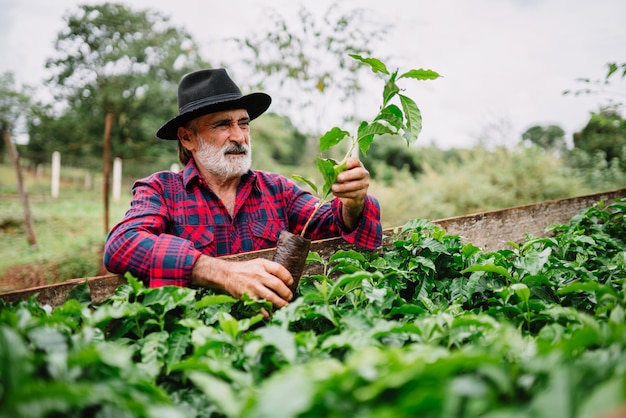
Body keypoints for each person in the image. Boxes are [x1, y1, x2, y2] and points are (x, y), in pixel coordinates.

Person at [103, 68, 382, 311]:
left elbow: (330, 223)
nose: (239, 136)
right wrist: (220, 272)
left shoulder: (277, 189)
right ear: (188, 138)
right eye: (223, 124)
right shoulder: (161, 190)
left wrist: (353, 202)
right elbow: (122, 245)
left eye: (243, 123)